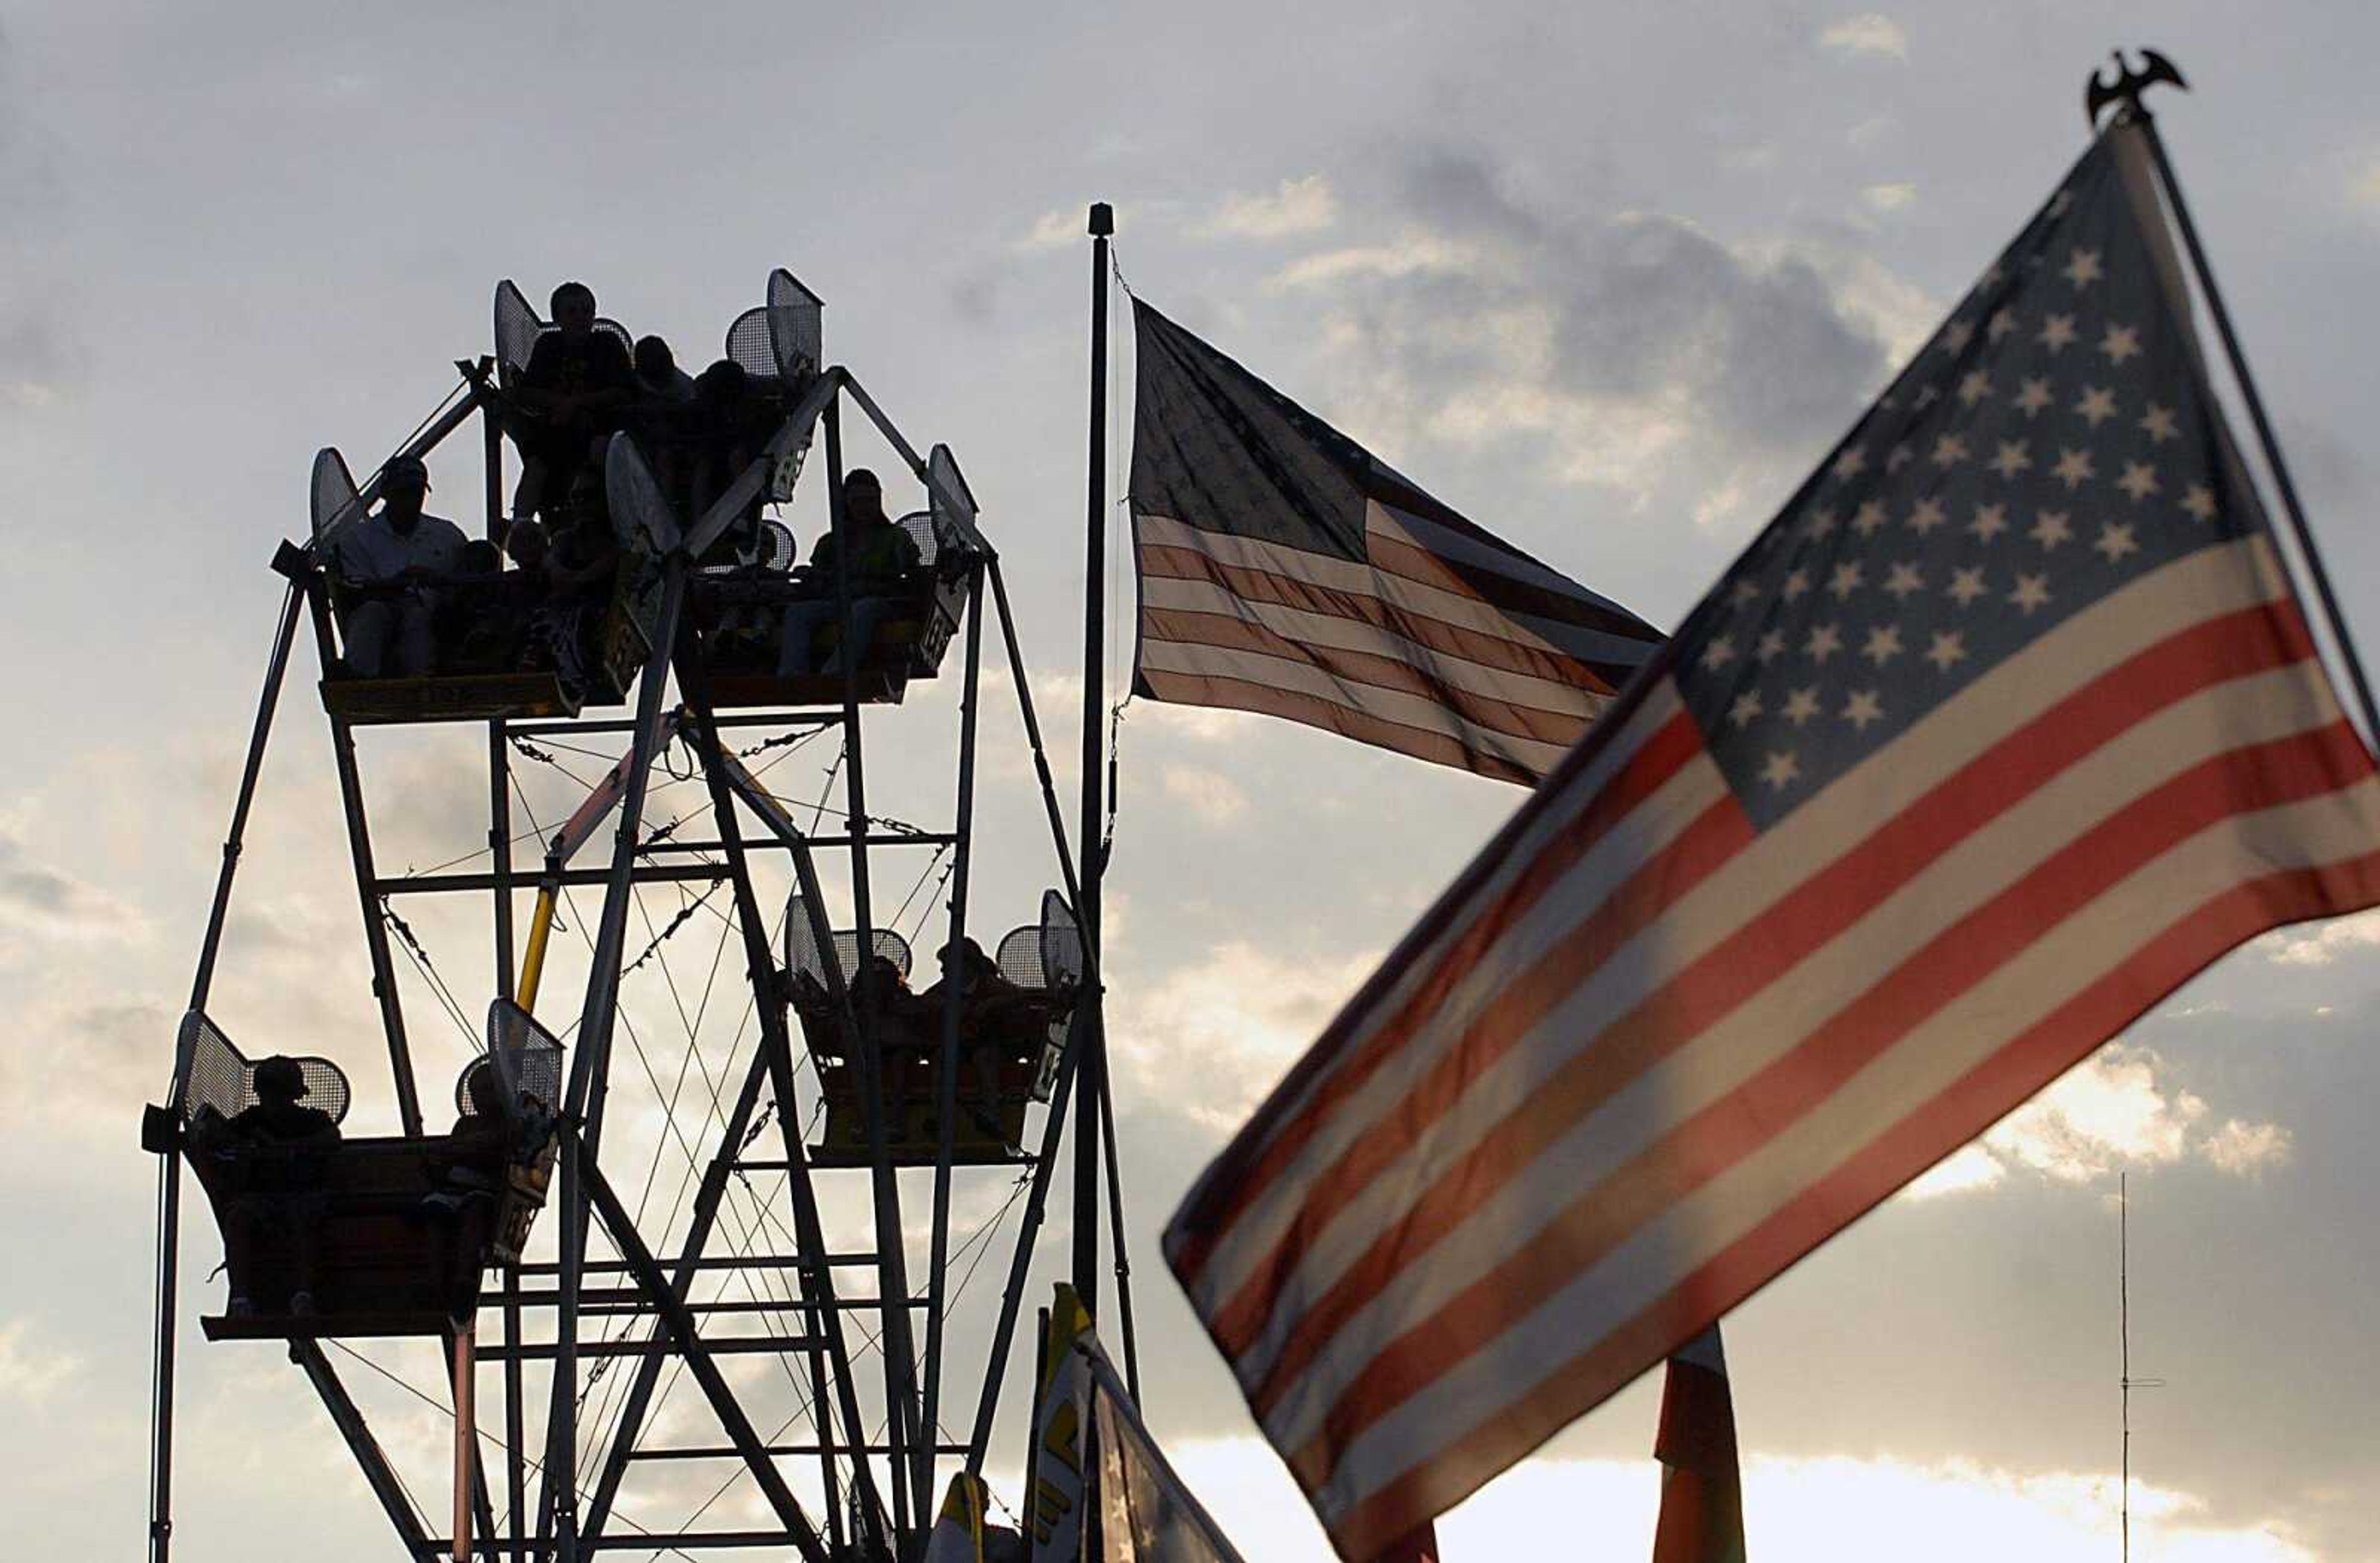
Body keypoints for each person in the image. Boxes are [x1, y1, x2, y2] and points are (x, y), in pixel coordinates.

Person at [217, 1056, 343, 1318]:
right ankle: (240, 1299)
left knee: (303, 1217)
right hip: (261, 1199)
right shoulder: (251, 1121)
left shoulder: (313, 1120)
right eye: (268, 1093)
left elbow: (331, 1139)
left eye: (279, 1093)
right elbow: (218, 1133)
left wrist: (287, 1148)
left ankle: (303, 1295)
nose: (273, 1100)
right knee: (238, 1218)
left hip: (304, 1194)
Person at [507, 281, 633, 529]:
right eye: (572, 312)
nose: (580, 318)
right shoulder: (548, 346)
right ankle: (520, 528)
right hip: (556, 430)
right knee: (535, 467)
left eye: (586, 311)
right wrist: (562, 404)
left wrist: (576, 404)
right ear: (558, 317)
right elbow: (528, 392)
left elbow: (624, 391)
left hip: (602, 428)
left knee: (602, 451)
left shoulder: (608, 343)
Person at [777, 469, 924, 677]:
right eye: (858, 501)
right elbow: (818, 579)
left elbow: (911, 573)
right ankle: (792, 673)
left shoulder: (896, 537)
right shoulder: (830, 542)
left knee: (863, 610)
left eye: (870, 500)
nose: (865, 507)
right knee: (799, 613)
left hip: (881, 601)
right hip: (839, 600)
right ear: (847, 503)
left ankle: (837, 671)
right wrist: (810, 576)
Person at [334, 454, 469, 678]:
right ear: (386, 493)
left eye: (417, 492)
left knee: (421, 615)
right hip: (385, 618)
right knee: (372, 615)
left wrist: (437, 583)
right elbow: (356, 591)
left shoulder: (448, 535)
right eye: (404, 491)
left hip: (439, 620)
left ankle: (424, 680)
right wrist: (399, 584)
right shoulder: (358, 539)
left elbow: (465, 587)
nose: (412, 499)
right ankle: (361, 680)